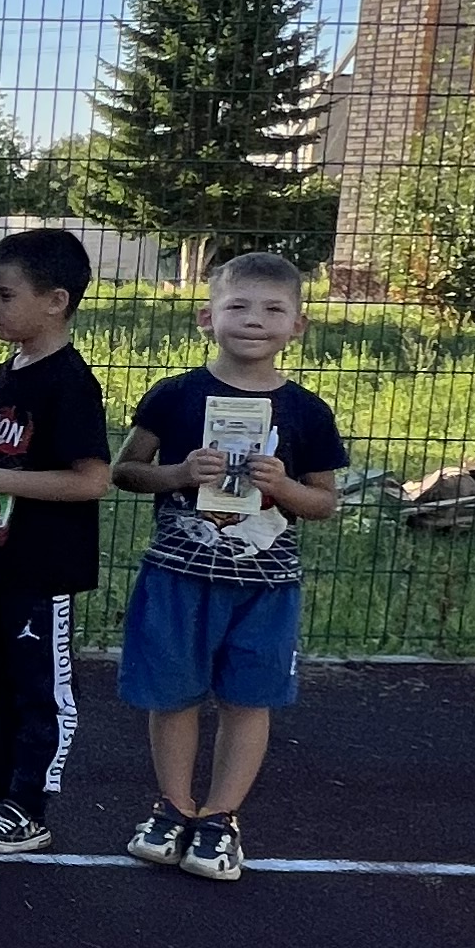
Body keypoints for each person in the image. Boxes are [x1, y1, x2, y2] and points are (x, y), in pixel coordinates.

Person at [112, 251, 345, 886]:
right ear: (205, 317)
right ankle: (173, 807)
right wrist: (180, 474)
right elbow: (125, 471)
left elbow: (324, 502)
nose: (254, 320)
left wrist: (284, 488)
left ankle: (220, 817)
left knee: (248, 700)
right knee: (173, 696)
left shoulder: (308, 411)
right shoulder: (175, 395)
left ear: (298, 325)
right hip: (178, 576)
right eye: (237, 306)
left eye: (274, 309)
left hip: (265, 587)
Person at [0, 227, 115, 857]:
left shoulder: (68, 383)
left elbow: (93, 480)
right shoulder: (8, 371)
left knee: (41, 687)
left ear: (55, 301)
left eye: (4, 295)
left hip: (42, 568)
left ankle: (29, 804)